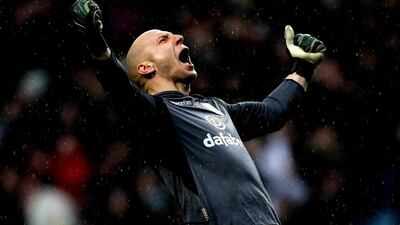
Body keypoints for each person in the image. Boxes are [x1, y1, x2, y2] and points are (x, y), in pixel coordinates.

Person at [70, 0, 326, 224]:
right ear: (146, 68)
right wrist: (97, 43)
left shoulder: (216, 108)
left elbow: (272, 113)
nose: (179, 37)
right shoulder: (154, 117)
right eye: (164, 39)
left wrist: (302, 68)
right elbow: (118, 89)